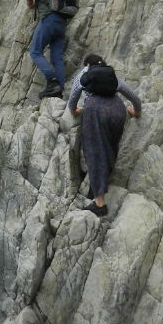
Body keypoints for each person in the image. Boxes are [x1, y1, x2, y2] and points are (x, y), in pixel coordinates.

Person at [68, 54, 142, 216]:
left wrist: (74, 110)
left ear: (87, 64)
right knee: (110, 147)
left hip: (95, 110)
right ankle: (98, 186)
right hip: (118, 110)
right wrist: (135, 111)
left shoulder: (84, 74)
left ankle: (100, 203)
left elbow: (73, 98)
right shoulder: (111, 76)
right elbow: (134, 97)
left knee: (95, 152)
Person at [19, 0, 67, 97]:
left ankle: (52, 81)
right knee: (56, 57)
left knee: (35, 51)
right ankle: (59, 90)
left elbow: (29, 3)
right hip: (61, 21)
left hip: (48, 19)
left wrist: (34, 3)